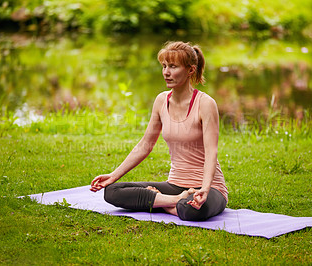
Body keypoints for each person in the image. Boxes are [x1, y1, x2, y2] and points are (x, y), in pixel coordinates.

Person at [90, 41, 228, 221]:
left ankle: (160, 202)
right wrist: (113, 175)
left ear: (190, 70)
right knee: (112, 191)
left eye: (173, 66)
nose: (166, 72)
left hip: (210, 188)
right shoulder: (161, 101)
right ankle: (174, 200)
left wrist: (205, 188)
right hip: (175, 185)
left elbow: (211, 151)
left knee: (193, 210)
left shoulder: (205, 104)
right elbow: (145, 145)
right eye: (164, 66)